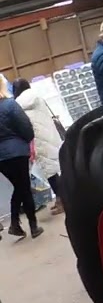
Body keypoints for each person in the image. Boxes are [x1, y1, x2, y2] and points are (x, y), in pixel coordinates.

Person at [10, 79, 63, 216]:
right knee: (54, 169)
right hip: (50, 136)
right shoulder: (36, 96)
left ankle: (63, 200)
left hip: (39, 140)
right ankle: (61, 199)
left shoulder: (18, 104)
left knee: (49, 172)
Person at [0, 87, 41, 241]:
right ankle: (33, 226)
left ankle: (15, 224)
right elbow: (25, 127)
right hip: (17, 151)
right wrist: (26, 140)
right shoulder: (10, 105)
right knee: (24, 187)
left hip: (1, 159)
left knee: (19, 187)